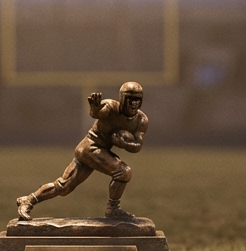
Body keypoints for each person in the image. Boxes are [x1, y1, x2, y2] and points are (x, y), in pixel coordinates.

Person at [16, 81, 148, 220]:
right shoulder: (111, 107)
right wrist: (95, 109)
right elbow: (99, 112)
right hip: (90, 147)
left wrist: (125, 143)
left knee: (64, 187)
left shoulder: (141, 120)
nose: (134, 103)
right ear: (122, 98)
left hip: (99, 150)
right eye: (130, 99)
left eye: (137, 100)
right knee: (123, 172)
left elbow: (138, 145)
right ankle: (113, 208)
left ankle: (29, 200)